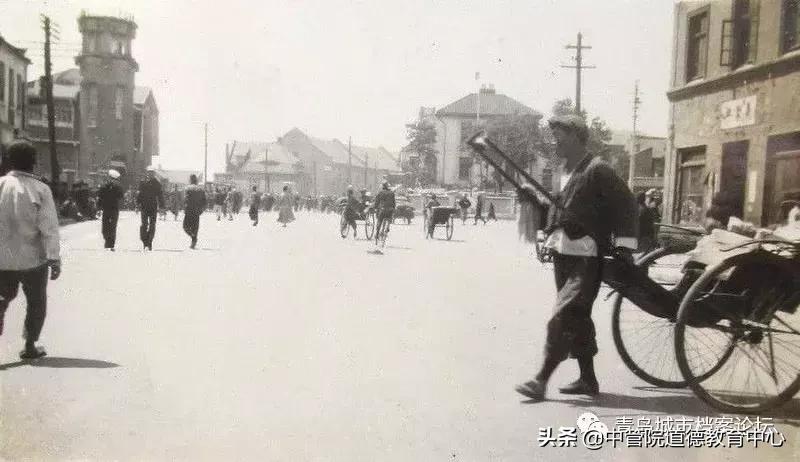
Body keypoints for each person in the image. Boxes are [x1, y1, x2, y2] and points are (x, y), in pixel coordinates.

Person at [515, 115, 638, 402]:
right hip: (562, 255)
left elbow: (627, 207)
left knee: (564, 316)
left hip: (587, 258)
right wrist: (533, 198)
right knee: (578, 318)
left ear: (576, 136)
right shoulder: (563, 171)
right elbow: (558, 210)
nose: (554, 140)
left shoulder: (598, 170)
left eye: (559, 135)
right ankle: (588, 379)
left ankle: (541, 379)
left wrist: (624, 248)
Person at [0, 141, 62, 359]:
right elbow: (49, 227)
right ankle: (29, 346)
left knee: (1, 299)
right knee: (36, 302)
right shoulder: (40, 189)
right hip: (33, 260)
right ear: (34, 163)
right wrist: (54, 258)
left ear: (8, 160)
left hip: (2, 260)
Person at [136, 166, 164, 251]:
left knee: (152, 225)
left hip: (153, 207)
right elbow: (139, 194)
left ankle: (149, 242)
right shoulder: (143, 182)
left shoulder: (157, 183)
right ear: (147, 173)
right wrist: (137, 205)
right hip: (144, 207)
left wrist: (162, 207)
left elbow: (160, 196)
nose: (150, 174)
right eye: (149, 172)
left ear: (154, 174)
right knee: (144, 225)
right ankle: (145, 241)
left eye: (152, 173)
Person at [96, 169, 124, 251]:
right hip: (114, 209)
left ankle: (108, 242)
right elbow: (121, 197)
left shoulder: (104, 185)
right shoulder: (118, 186)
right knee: (112, 226)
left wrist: (98, 208)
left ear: (110, 177)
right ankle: (110, 244)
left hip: (107, 208)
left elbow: (100, 197)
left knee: (105, 226)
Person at [183, 174, 206, 249]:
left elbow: (185, 199)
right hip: (197, 211)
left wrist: (184, 208)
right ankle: (193, 241)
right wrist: (201, 210)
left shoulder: (187, 188)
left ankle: (193, 237)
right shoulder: (200, 189)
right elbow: (204, 202)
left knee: (185, 226)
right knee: (195, 227)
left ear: (190, 180)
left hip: (189, 210)